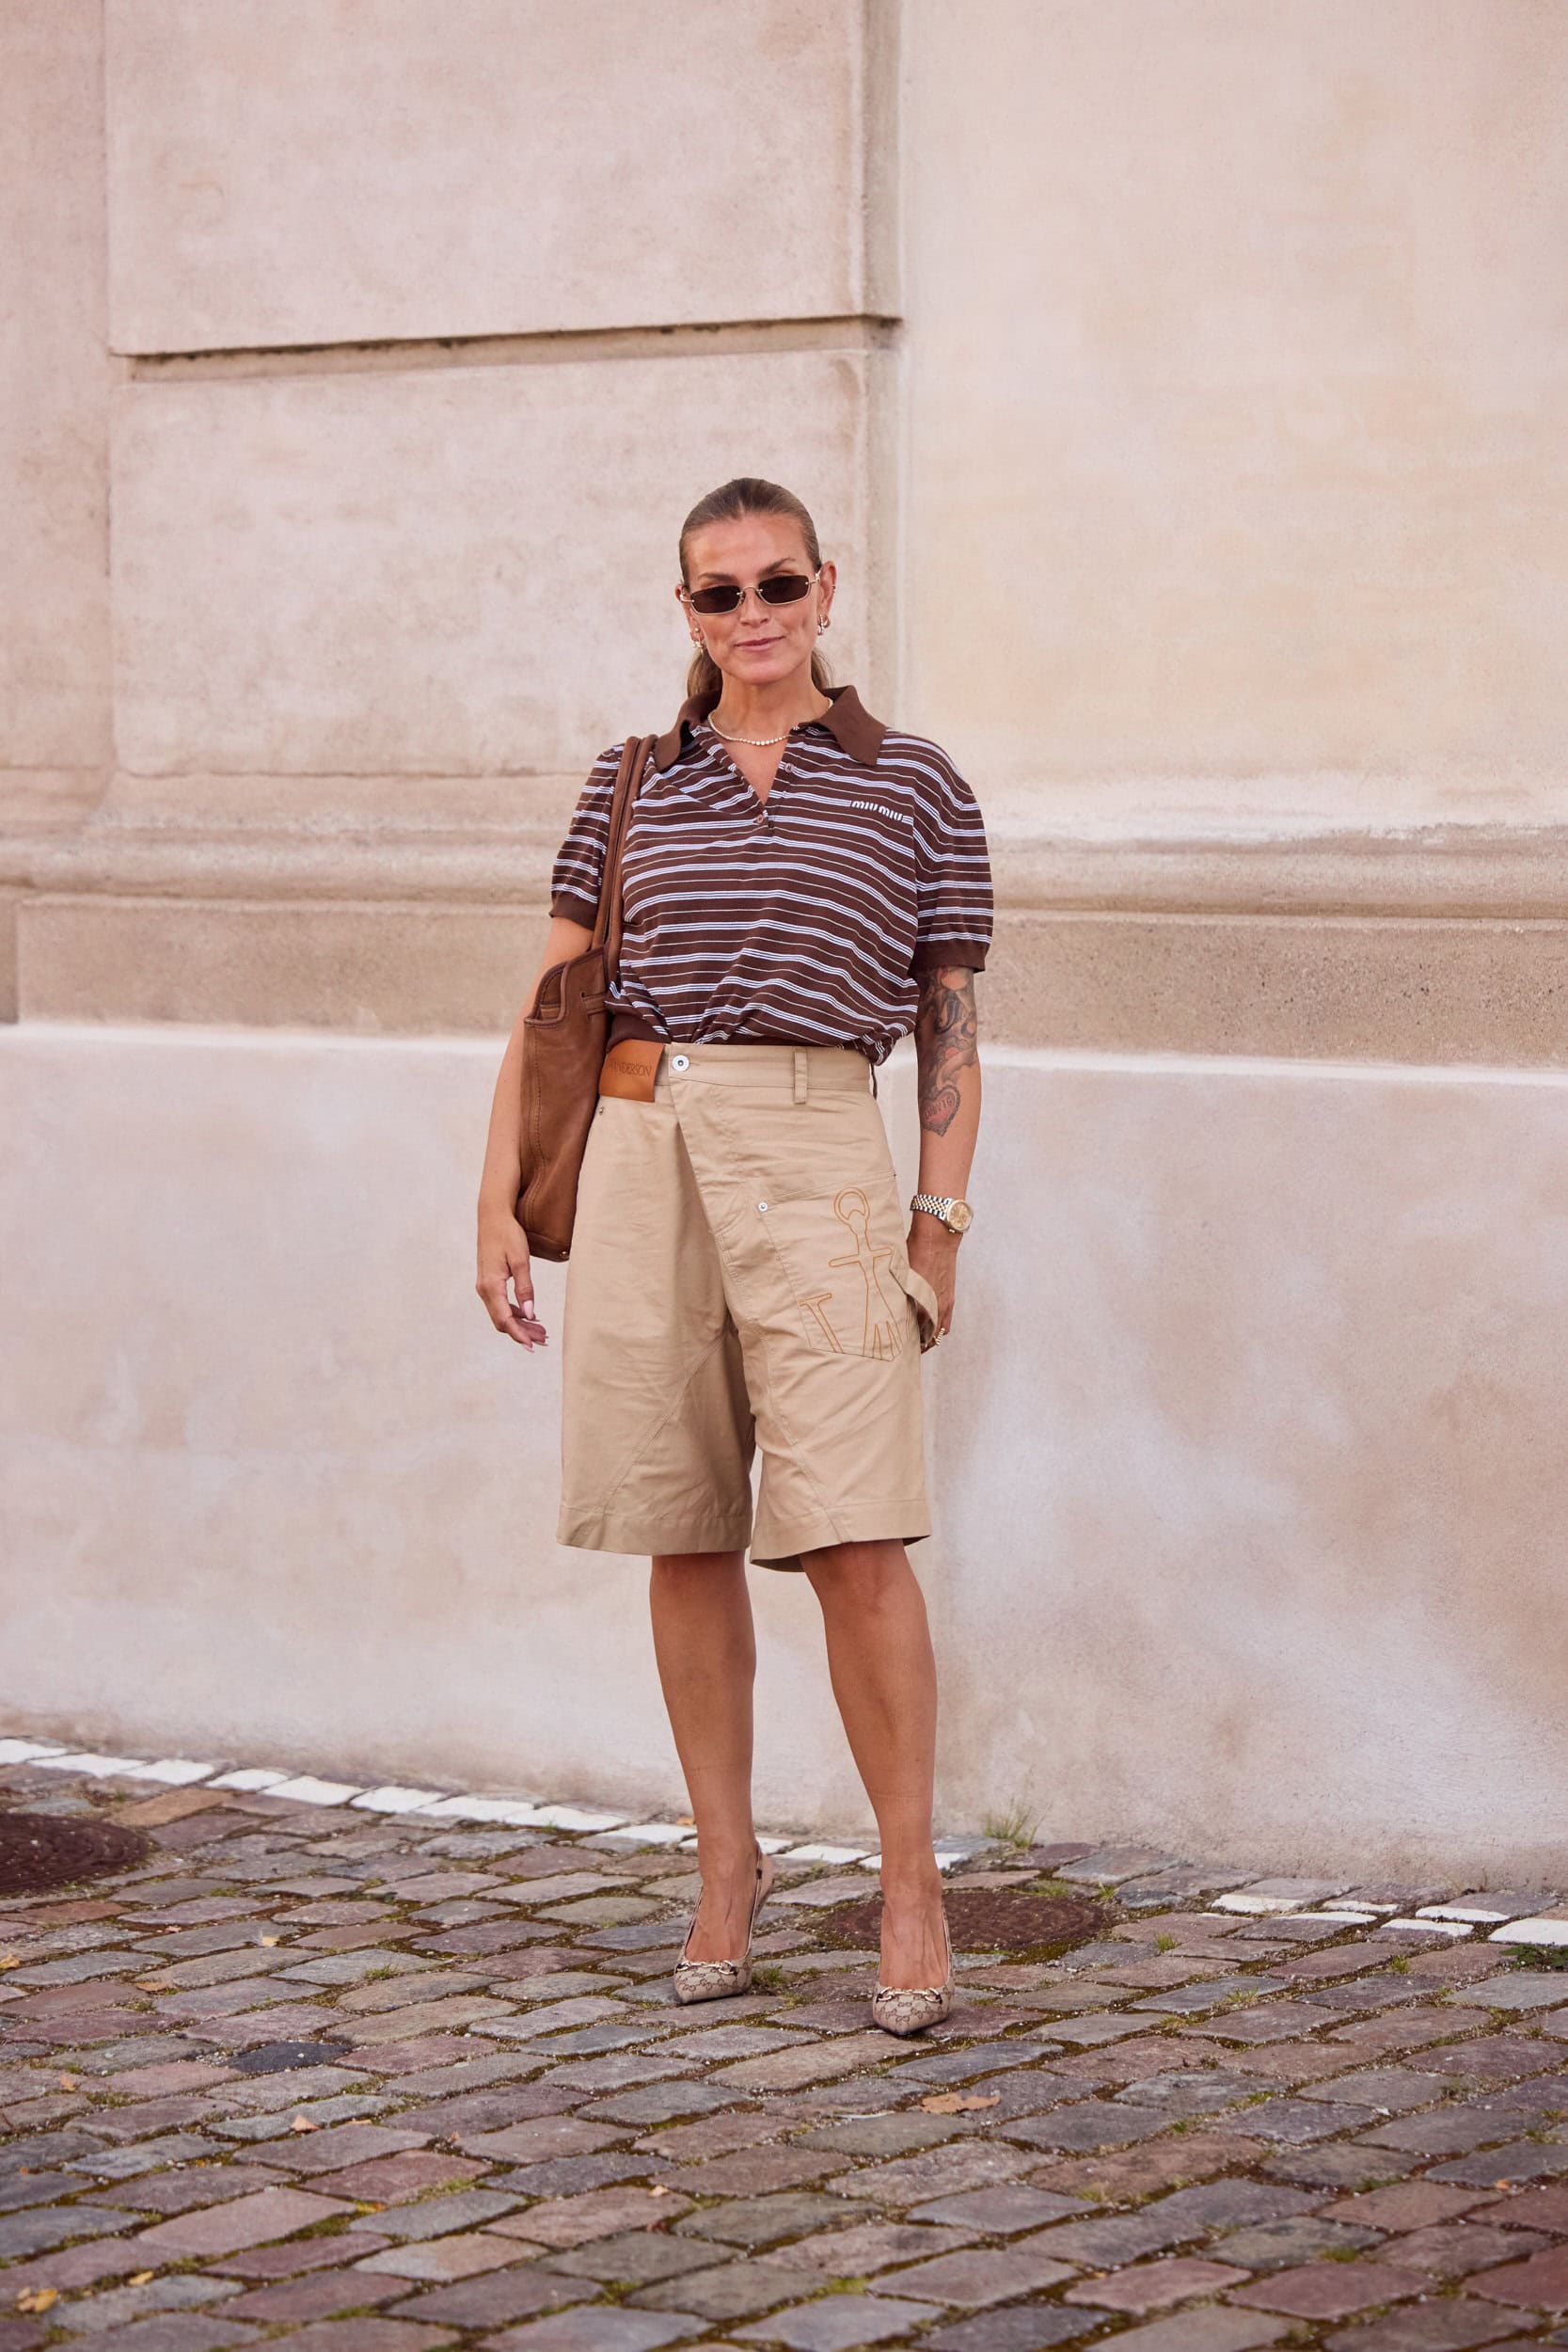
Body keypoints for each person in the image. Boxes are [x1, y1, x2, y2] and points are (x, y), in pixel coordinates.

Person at [477, 476, 991, 2033]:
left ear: (827, 590)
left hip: (822, 1153)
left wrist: (938, 1222)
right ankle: (726, 1868)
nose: (752, 613)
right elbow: (554, 1001)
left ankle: (911, 1886)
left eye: (778, 584)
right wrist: (497, 1203)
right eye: (721, 591)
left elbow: (949, 1024)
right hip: (642, 1150)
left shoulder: (914, 784)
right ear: (687, 609)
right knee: (680, 1524)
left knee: (856, 1535)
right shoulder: (632, 779)